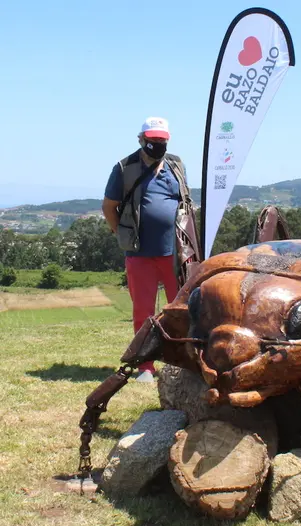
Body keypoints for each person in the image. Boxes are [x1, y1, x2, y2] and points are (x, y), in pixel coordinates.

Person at [102, 117, 191, 383]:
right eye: (152, 141)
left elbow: (184, 203)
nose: (157, 145)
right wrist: (121, 235)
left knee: (181, 310)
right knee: (144, 311)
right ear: (141, 140)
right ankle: (146, 367)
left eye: (161, 141)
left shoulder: (176, 166)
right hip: (140, 254)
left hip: (175, 254)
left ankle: (182, 362)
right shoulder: (124, 168)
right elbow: (109, 207)